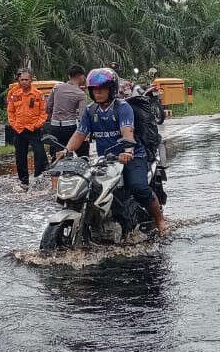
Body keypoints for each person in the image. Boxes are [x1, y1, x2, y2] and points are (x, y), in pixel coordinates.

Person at [56, 67, 167, 236]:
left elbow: (127, 131)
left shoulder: (122, 108)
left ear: (112, 89)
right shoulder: (90, 111)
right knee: (87, 188)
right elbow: (79, 134)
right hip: (105, 160)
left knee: (138, 187)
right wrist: (66, 150)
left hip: (132, 156)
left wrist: (128, 151)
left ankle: (160, 221)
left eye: (102, 89)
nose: (98, 92)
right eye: (94, 89)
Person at [6, 67, 48, 191]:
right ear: (19, 80)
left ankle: (38, 178)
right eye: (22, 79)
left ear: (31, 80)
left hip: (33, 129)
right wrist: (14, 125)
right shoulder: (13, 94)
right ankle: (24, 181)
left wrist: (37, 125)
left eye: (26, 79)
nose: (24, 82)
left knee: (40, 154)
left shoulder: (38, 95)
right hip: (19, 130)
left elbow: (43, 112)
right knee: (20, 157)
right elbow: (10, 111)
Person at [44, 65, 89, 160]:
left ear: (69, 76)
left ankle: (56, 173)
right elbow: (82, 117)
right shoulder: (81, 94)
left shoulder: (56, 88)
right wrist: (86, 135)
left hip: (55, 127)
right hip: (70, 128)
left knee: (56, 157)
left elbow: (47, 107)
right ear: (81, 77)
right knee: (83, 155)